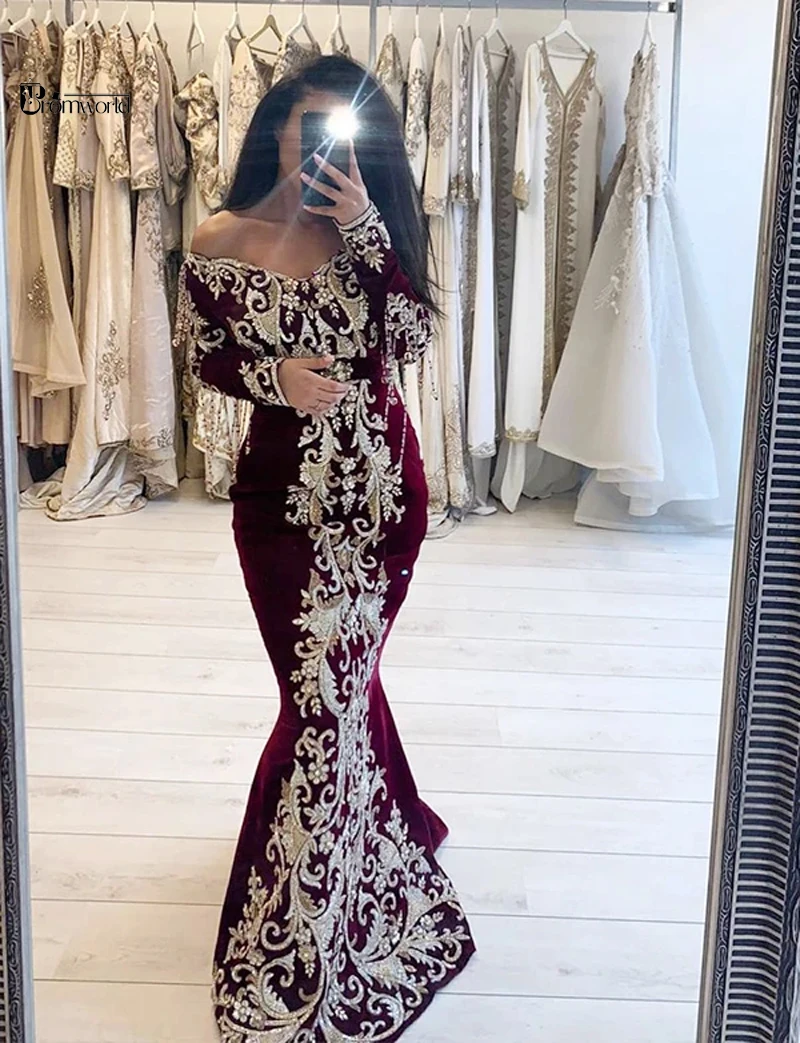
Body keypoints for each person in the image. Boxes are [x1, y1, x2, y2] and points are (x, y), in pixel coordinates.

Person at [175, 55, 476, 1041]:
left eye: (337, 136)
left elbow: (411, 337)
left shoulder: (369, 233)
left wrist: (366, 227)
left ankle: (324, 906)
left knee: (337, 691)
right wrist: (276, 378)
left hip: (382, 499)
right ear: (275, 128)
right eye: (305, 130)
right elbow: (205, 355)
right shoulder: (217, 237)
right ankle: (310, 909)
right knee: (325, 696)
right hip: (277, 504)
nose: (317, 152)